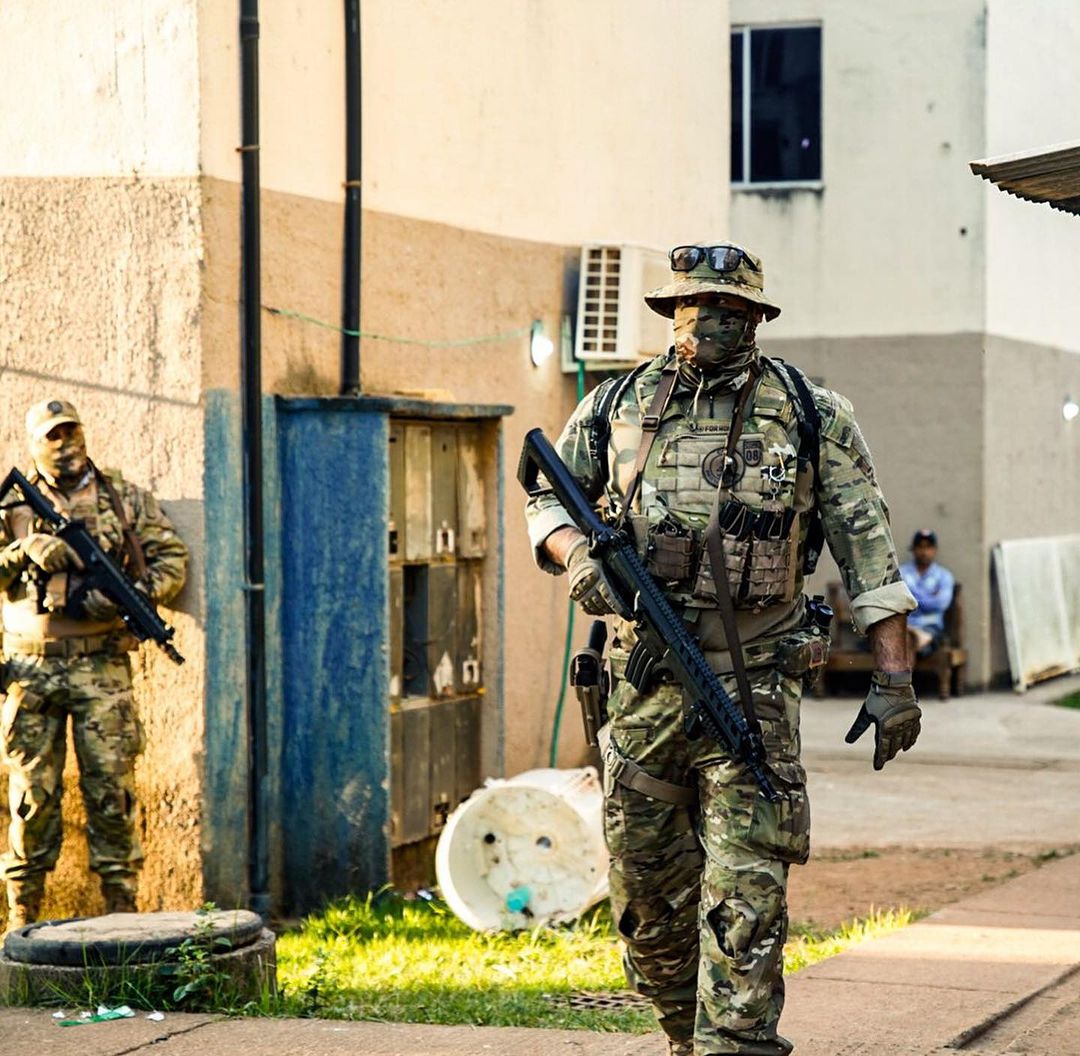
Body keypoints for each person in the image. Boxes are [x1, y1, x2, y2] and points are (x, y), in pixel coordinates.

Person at [524, 243, 920, 1056]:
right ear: (671, 311)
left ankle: (733, 1044)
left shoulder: (811, 413)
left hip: (758, 689)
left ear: (759, 317)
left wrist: (895, 676)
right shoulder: (614, 405)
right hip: (644, 691)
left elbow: (869, 550)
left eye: (732, 308)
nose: (712, 320)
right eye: (696, 304)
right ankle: (682, 1031)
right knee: (645, 897)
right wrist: (579, 557)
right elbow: (545, 494)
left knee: (747, 895)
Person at [0, 398, 188, 929]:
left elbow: (173, 558)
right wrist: (23, 551)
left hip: (101, 667)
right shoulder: (11, 506)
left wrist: (132, 596)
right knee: (32, 797)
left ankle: (121, 916)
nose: (66, 445)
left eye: (72, 432)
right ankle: (22, 920)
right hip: (28, 673)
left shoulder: (122, 498)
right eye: (53, 436)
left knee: (112, 790)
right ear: (35, 443)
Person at [900, 529, 955, 667]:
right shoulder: (901, 573)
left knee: (908, 642)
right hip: (904, 626)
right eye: (920, 547)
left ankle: (901, 686)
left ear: (935, 550)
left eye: (928, 547)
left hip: (931, 628)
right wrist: (929, 597)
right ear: (913, 549)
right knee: (906, 640)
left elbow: (941, 604)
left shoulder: (944, 576)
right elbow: (898, 601)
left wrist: (912, 596)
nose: (924, 552)